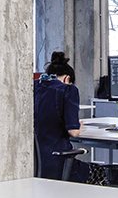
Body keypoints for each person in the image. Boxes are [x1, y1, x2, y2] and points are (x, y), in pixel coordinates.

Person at [33, 52, 84, 180]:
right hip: (58, 163)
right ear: (67, 78)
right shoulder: (68, 90)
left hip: (34, 165)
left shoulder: (34, 86)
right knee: (100, 173)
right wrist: (79, 125)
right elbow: (74, 132)